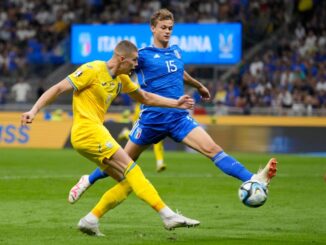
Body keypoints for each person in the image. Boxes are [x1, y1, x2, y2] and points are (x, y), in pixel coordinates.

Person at [68, 8, 277, 224]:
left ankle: (253, 178)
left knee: (212, 149)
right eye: (163, 28)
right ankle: (88, 179)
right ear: (153, 28)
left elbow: (179, 72)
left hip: (177, 118)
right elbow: (117, 66)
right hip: (151, 120)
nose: (167, 32)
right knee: (123, 162)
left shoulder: (176, 51)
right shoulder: (143, 55)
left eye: (170, 28)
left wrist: (199, 85)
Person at [21, 40, 200, 236]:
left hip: (93, 134)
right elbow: (57, 89)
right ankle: (167, 215)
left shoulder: (121, 79)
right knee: (133, 168)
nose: (135, 65)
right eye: (133, 61)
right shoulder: (93, 69)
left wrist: (176, 103)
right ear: (122, 59)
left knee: (128, 182)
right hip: (87, 131)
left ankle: (91, 219)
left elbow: (146, 98)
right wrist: (34, 110)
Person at [117, 102, 167, 172]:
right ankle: (126, 133)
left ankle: (160, 162)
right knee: (136, 136)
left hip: (153, 108)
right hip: (142, 108)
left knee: (158, 136)